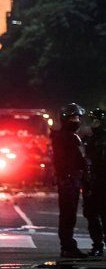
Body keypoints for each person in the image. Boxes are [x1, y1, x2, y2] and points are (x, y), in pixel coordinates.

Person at [51, 103, 88, 258]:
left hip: (73, 179)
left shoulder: (71, 136)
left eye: (78, 117)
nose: (77, 120)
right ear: (65, 119)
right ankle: (67, 247)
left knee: (69, 215)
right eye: (73, 118)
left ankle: (68, 246)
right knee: (68, 215)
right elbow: (68, 160)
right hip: (69, 180)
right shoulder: (64, 137)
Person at [84, 108, 106, 257]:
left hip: (102, 181)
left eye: (97, 121)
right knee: (91, 214)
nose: (94, 124)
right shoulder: (91, 139)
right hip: (93, 181)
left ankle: (99, 245)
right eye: (93, 121)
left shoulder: (102, 140)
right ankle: (97, 244)